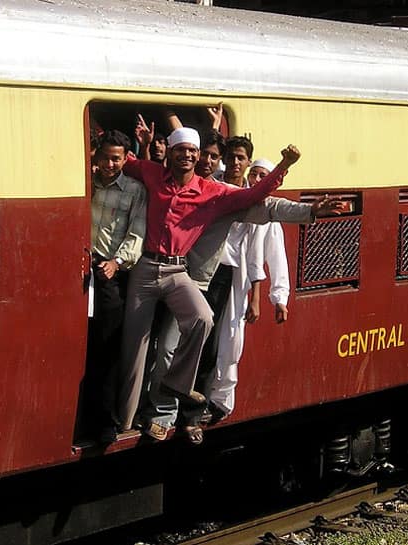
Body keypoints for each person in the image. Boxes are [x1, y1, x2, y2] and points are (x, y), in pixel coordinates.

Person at [116, 127, 302, 440]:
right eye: (180, 150)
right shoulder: (152, 174)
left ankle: (176, 386)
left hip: (178, 271)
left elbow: (253, 197)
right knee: (135, 349)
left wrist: (283, 166)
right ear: (171, 153)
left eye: (192, 150)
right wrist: (132, 148)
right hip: (146, 268)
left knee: (203, 319)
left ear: (199, 155)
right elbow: (124, 161)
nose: (186, 155)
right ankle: (124, 421)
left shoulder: (210, 191)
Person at [206, 158, 289, 422]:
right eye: (254, 174)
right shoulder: (231, 195)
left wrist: (278, 298)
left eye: (263, 176)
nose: (256, 180)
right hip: (216, 273)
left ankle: (221, 399)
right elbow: (220, 164)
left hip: (239, 281)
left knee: (231, 338)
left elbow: (275, 259)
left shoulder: (268, 218)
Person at [85, 130, 147, 443]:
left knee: (106, 349)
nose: (110, 164)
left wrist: (116, 263)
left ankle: (104, 421)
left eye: (117, 158)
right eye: (105, 157)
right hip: (81, 269)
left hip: (109, 272)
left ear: (125, 159)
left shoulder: (134, 190)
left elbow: (137, 233)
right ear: (95, 155)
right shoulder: (85, 181)